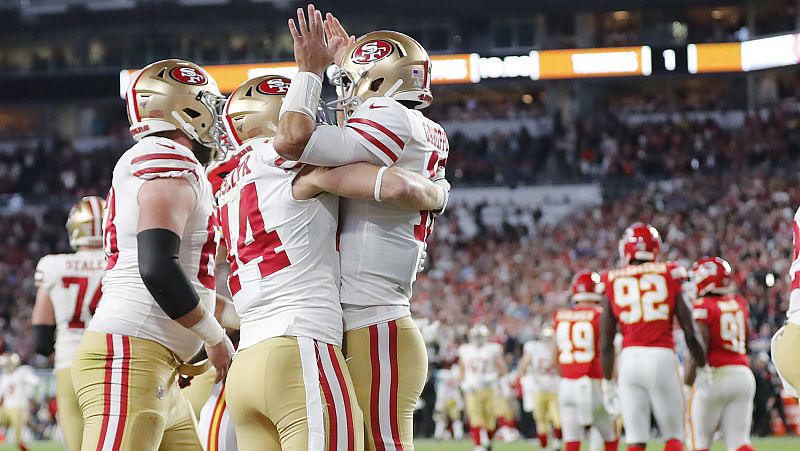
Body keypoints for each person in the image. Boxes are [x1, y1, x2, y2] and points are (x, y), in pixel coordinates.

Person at [217, 73, 447, 451]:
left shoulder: (224, 184)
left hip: (248, 357)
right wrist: (438, 192)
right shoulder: (302, 169)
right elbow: (396, 186)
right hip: (302, 342)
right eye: (307, 117)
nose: (317, 125)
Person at [272, 7, 450, 450]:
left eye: (353, 81)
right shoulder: (411, 123)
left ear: (381, 81)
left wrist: (310, 73)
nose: (345, 93)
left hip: (375, 319)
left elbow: (293, 141)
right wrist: (340, 66)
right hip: (366, 315)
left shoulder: (392, 115)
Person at [71, 59, 234, 451]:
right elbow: (158, 268)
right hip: (128, 359)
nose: (215, 116)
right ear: (185, 107)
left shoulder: (170, 163)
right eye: (207, 104)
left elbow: (189, 279)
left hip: (155, 363)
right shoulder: (168, 159)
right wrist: (214, 338)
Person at [599, 223, 708, 451]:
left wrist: (607, 381)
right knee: (674, 435)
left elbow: (606, 341)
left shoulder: (612, 279)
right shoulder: (670, 272)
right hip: (662, 357)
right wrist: (702, 365)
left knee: (635, 439)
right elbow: (690, 329)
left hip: (629, 360)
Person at [30, 196, 106, 451]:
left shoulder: (54, 266)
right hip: (115, 362)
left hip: (70, 362)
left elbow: (40, 336)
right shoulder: (124, 262)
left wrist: (54, 355)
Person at [685, 257, 755, 451]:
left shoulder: (703, 307)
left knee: (698, 442)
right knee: (739, 442)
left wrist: (686, 385)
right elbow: (746, 342)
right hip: (742, 374)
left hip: (714, 376)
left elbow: (699, 347)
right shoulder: (739, 303)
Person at [553, 270, 619, 451]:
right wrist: (610, 380)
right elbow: (607, 351)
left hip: (567, 384)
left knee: (572, 442)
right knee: (611, 436)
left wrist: (567, 375)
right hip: (593, 383)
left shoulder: (560, 316)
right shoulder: (600, 315)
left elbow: (555, 356)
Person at [458, 325, 507, 451]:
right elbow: (462, 370)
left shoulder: (492, 349)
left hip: (489, 389)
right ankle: (478, 446)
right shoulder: (465, 350)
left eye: (480, 336)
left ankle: (489, 442)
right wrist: (464, 383)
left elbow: (503, 369)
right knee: (475, 417)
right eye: (476, 336)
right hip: (472, 390)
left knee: (490, 420)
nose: (478, 339)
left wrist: (493, 376)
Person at [518, 327, 561, 450]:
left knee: (558, 420)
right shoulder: (534, 348)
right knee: (541, 422)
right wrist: (525, 383)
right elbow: (523, 366)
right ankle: (544, 447)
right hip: (538, 389)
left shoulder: (558, 348)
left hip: (555, 389)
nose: (548, 340)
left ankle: (557, 443)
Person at [0, 354, 39, 451]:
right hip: (6, 408)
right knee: (16, 437)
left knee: (17, 439)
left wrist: (32, 398)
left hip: (18, 408)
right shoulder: (5, 376)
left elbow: (36, 382)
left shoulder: (22, 372)